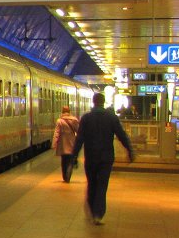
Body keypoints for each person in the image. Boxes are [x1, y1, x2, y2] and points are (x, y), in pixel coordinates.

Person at [72, 92, 134, 225]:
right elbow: (122, 135)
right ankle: (99, 213)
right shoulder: (111, 117)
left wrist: (74, 156)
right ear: (103, 102)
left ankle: (92, 208)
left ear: (93, 102)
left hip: (91, 157)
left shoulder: (86, 118)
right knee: (102, 185)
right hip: (106, 158)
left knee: (92, 183)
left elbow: (79, 139)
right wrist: (129, 150)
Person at [51, 105, 80, 182]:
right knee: (70, 161)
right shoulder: (74, 120)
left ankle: (64, 176)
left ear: (62, 112)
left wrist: (54, 144)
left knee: (64, 161)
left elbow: (56, 133)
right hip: (72, 143)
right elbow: (79, 131)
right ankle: (68, 177)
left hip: (62, 144)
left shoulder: (59, 121)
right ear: (69, 112)